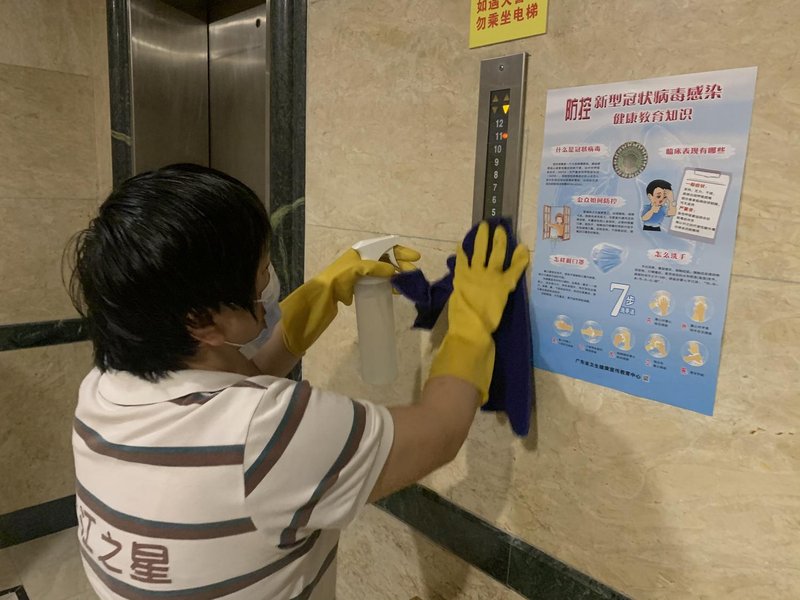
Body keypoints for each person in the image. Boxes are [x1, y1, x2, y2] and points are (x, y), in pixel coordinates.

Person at [67, 163, 529, 599]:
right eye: (259, 279)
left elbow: (230, 394)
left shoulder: (102, 390)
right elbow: (439, 433)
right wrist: (472, 321)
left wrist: (322, 294)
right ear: (203, 323)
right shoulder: (264, 434)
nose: (269, 284)